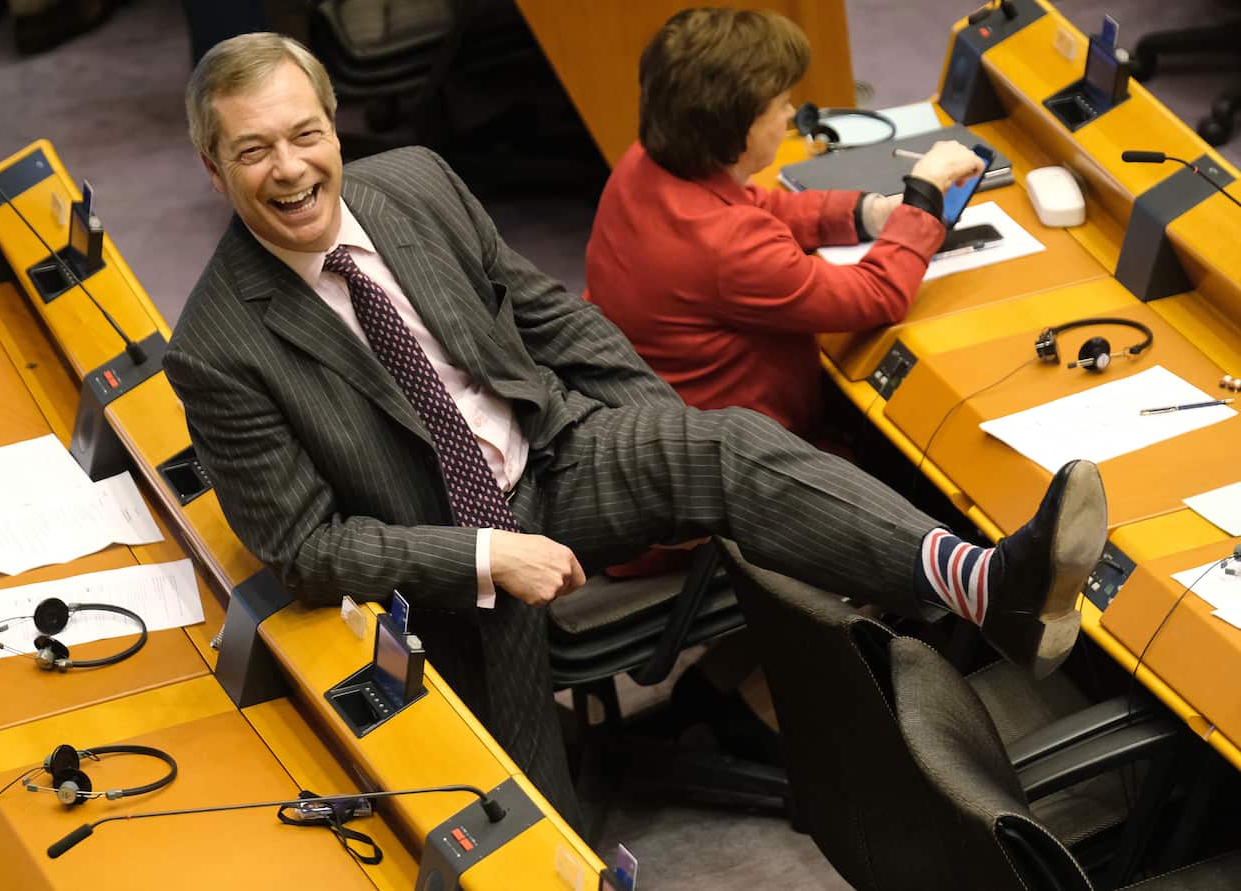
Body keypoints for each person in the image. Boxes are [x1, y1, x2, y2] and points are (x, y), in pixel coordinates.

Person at [166, 32, 1107, 828]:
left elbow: (542, 313)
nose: (290, 169)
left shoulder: (413, 180)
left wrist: (661, 430)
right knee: (523, 822)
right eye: (254, 152)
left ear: (335, 130)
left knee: (722, 441)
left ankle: (987, 586)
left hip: (554, 453)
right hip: (447, 560)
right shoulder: (215, 347)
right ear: (214, 169)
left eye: (306, 134)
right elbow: (306, 549)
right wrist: (490, 555)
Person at [584, 8, 975, 445]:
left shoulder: (645, 161)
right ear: (740, 129)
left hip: (655, 410)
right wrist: (923, 197)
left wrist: (871, 213)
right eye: (780, 104)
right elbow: (875, 296)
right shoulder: (731, 247)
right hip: (740, 456)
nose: (790, 113)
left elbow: (759, 205)